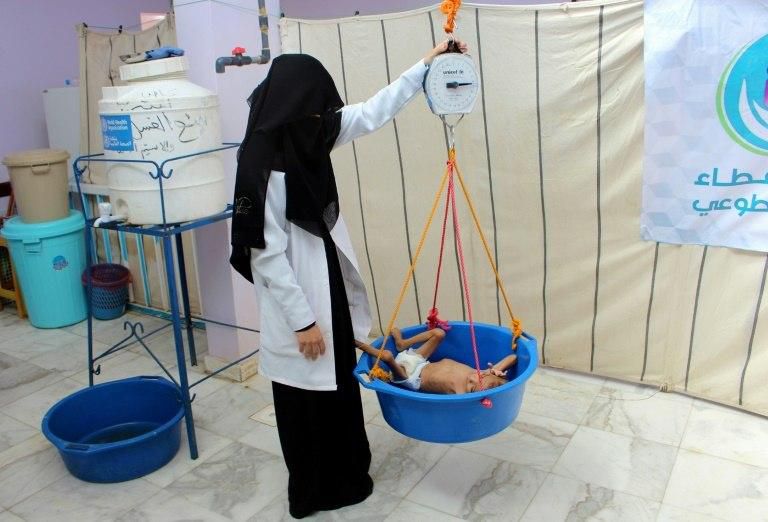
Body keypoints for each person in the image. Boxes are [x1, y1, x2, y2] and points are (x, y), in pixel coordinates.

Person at [229, 40, 468, 519]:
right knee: (301, 402)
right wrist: (302, 322)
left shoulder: (308, 135)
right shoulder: (260, 163)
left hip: (328, 283)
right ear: (294, 109)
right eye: (315, 114)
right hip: (293, 300)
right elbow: (265, 256)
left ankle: (349, 476)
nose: (323, 122)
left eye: (324, 115)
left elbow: (373, 111)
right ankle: (312, 492)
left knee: (340, 383)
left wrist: (426, 64)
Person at [356, 327, 518, 394]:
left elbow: (465, 406)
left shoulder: (462, 393)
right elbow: (513, 357)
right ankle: (403, 343)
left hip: (410, 378)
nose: (495, 386)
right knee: (439, 333)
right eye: (498, 382)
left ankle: (357, 342)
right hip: (419, 361)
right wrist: (498, 370)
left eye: (474, 387)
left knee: (388, 357)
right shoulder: (484, 372)